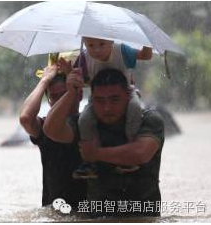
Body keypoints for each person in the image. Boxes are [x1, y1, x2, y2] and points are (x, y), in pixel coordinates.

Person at [43, 68, 164, 217]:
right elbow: (51, 130)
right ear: (91, 100)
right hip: (99, 216)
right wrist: (70, 93)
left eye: (114, 99)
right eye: (99, 100)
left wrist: (96, 154)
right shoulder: (86, 125)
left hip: (143, 216)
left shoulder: (148, 119)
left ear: (128, 96)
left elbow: (140, 153)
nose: (107, 108)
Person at [59, 37, 152, 178]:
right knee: (84, 120)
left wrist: (146, 40)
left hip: (126, 93)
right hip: (97, 99)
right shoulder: (83, 58)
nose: (96, 49)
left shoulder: (122, 50)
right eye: (91, 45)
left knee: (135, 108)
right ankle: (89, 162)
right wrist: (69, 74)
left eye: (102, 44)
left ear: (111, 41)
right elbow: (81, 82)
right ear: (84, 43)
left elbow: (146, 56)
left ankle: (130, 145)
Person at [19, 65, 86, 209]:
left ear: (79, 95)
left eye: (64, 94)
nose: (58, 101)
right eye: (53, 97)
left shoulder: (88, 124)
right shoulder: (44, 127)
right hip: (54, 211)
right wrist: (44, 81)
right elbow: (25, 119)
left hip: (87, 212)